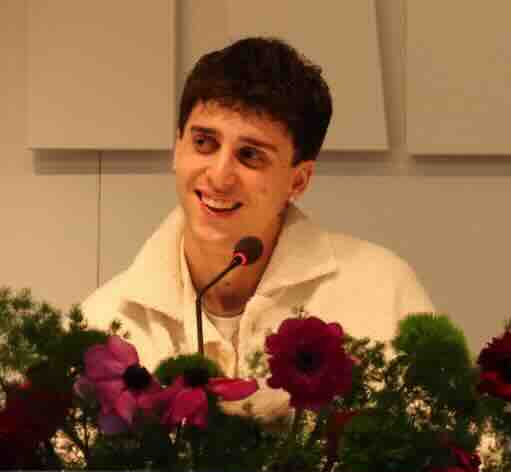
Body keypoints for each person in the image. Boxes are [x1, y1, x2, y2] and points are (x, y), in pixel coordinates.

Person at [82, 37, 434, 417]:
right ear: (177, 149)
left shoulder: (383, 292)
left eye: (250, 155)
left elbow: (457, 441)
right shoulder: (104, 320)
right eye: (204, 143)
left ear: (298, 181)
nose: (219, 176)